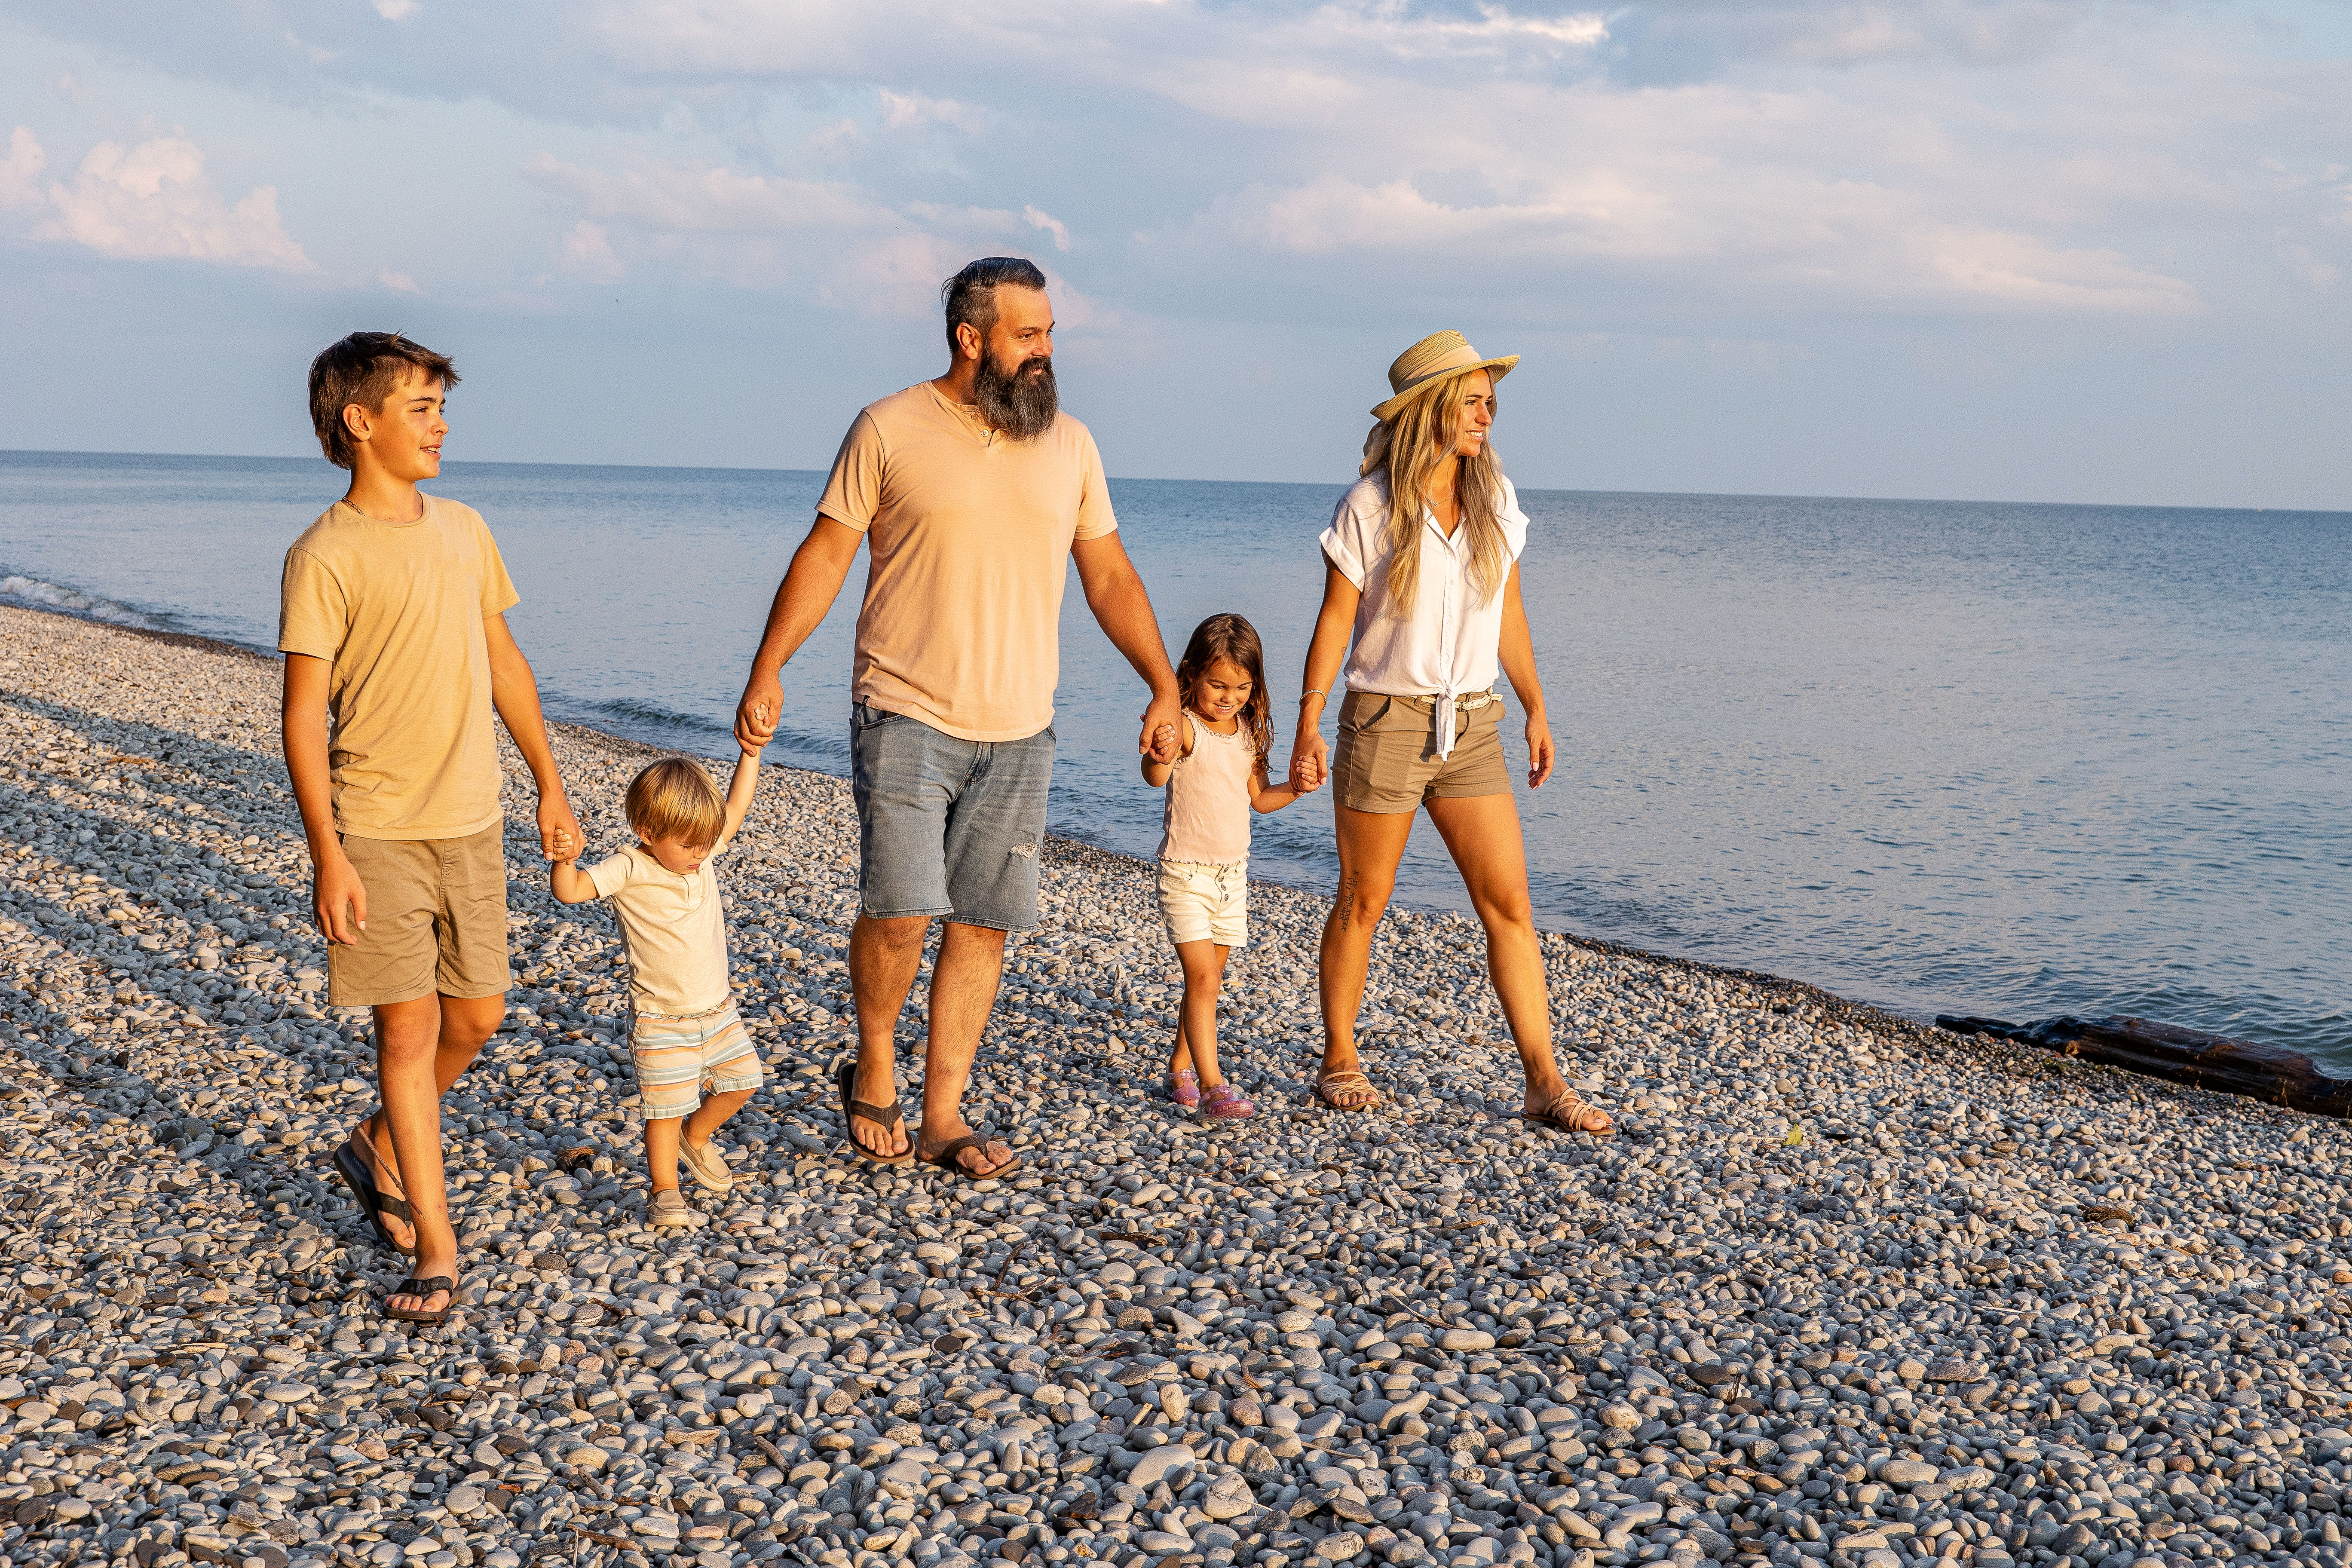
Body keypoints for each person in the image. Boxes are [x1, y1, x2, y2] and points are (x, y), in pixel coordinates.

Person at [732, 256, 1182, 1178]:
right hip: (904, 709)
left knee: (981, 923)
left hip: (1022, 726)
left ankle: (943, 1115)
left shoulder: (1073, 448)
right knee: (900, 910)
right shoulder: (889, 428)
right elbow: (825, 555)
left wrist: (1163, 684)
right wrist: (768, 666)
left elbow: (1109, 576)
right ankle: (876, 1064)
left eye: (1051, 333)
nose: (1046, 352)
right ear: (972, 340)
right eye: (1028, 335)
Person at [282, 331, 583, 1325]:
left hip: (472, 821)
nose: (442, 423)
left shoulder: (464, 530)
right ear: (360, 422)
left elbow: (504, 663)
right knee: (407, 1035)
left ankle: (375, 1143)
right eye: (422, 407)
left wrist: (547, 780)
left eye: (443, 407)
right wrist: (327, 854)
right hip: (375, 827)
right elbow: (300, 715)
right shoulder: (324, 554)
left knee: (480, 1017)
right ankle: (436, 1248)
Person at [1289, 331, 1613, 1134]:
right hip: (1385, 720)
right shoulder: (1367, 507)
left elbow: (1508, 610)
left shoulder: (1494, 502)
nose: (1486, 413)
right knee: (1364, 898)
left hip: (1471, 723)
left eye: (1489, 400)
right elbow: (1335, 619)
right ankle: (1338, 1058)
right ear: (1431, 409)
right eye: (1472, 400)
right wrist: (1306, 717)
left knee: (1508, 902)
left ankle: (1543, 1079)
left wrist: (1536, 703)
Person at [548, 719, 774, 1228]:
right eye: (691, 845)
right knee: (663, 1111)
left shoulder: (702, 852)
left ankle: (697, 1141)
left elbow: (734, 812)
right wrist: (565, 859)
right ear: (649, 832)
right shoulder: (630, 867)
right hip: (661, 1019)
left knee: (743, 1081)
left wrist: (751, 755)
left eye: (706, 844)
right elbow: (571, 891)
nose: (701, 855)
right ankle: (665, 1190)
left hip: (718, 1010)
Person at [1141, 614, 1314, 1120]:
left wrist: (1297, 789)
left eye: (1242, 687)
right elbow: (1155, 778)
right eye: (1218, 684)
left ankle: (1180, 1069)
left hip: (1232, 878)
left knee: (1206, 983)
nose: (1229, 697)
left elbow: (1259, 799)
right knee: (1203, 981)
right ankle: (1214, 1086)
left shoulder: (1248, 734)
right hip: (1185, 874)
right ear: (1191, 674)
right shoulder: (1187, 730)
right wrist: (1159, 750)